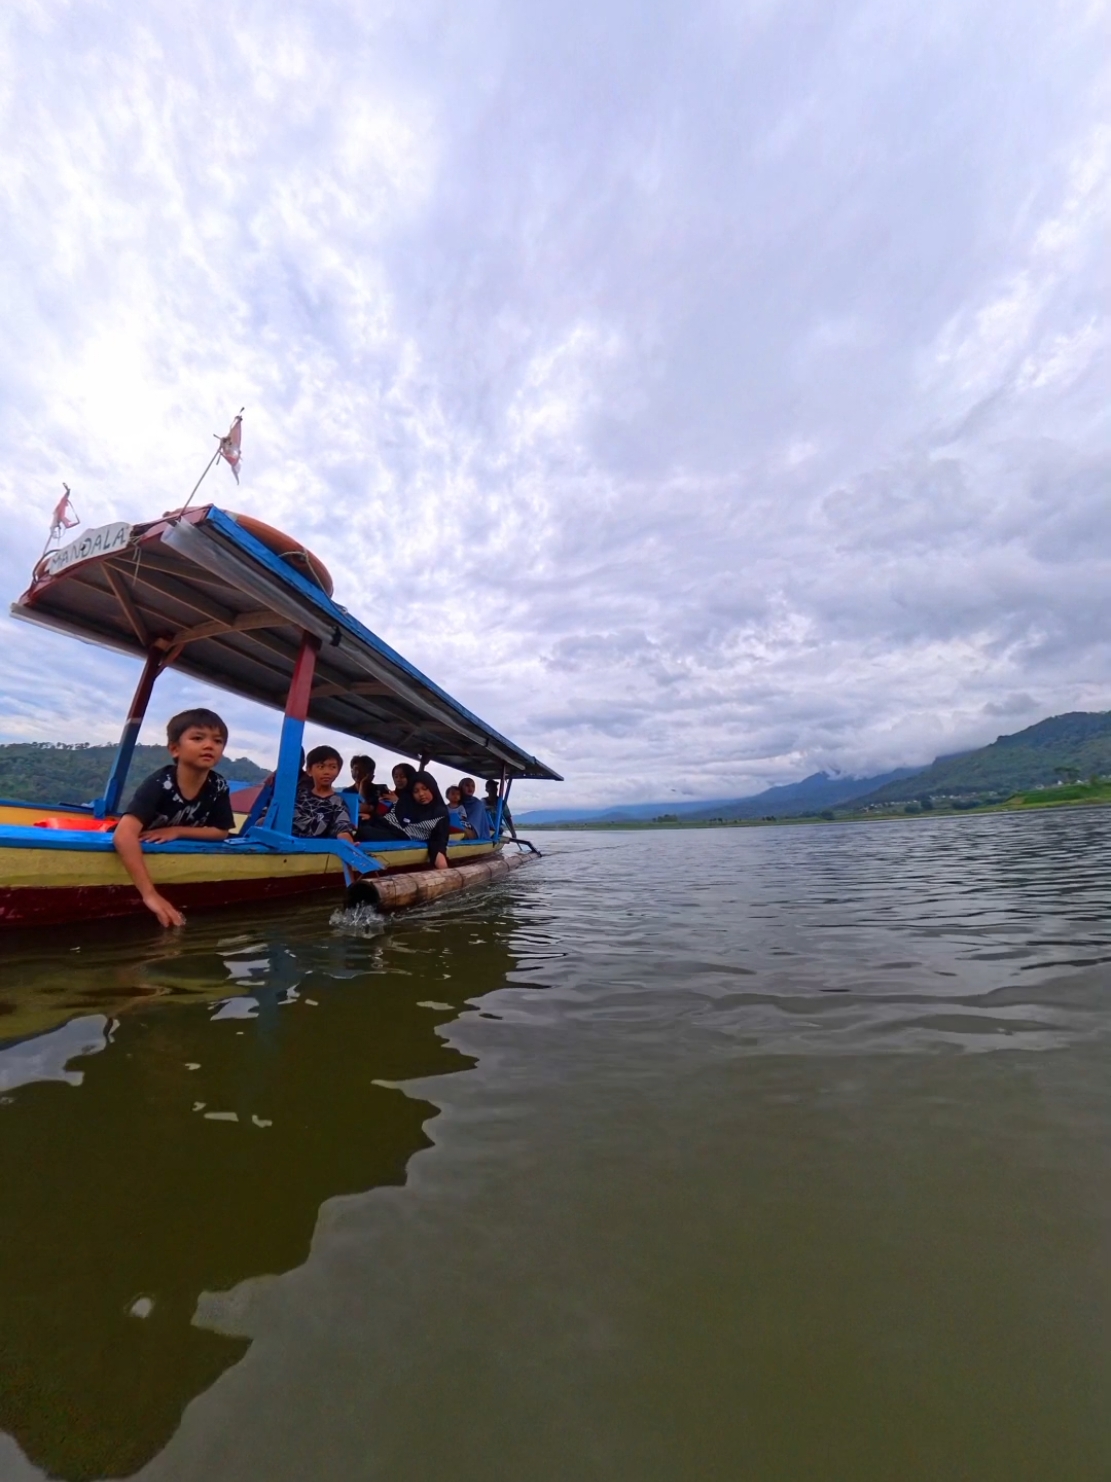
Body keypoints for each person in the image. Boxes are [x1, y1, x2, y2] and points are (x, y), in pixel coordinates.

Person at [113, 708, 235, 928]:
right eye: (198, 738)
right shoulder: (160, 783)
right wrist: (149, 894)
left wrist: (177, 831)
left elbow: (221, 831)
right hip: (133, 851)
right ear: (175, 749)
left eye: (218, 741)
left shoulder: (218, 785)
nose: (209, 745)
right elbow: (124, 835)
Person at [357, 770, 451, 867]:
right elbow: (385, 820)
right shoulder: (404, 804)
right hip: (384, 829)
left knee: (364, 832)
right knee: (360, 821)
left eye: (425, 788)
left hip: (401, 837)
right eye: (416, 791)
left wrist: (443, 869)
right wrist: (371, 817)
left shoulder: (440, 815)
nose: (421, 794)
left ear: (433, 788)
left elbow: (438, 843)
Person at [292, 745, 357, 840]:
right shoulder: (298, 796)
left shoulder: (337, 802)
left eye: (332, 767)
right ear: (309, 770)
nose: (327, 772)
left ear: (338, 771)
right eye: (321, 767)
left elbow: (342, 826)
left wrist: (347, 842)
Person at [457, 776, 491, 840]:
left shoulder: (478, 804)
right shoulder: (456, 802)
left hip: (474, 832)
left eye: (473, 786)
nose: (470, 788)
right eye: (467, 785)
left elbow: (473, 825)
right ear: (460, 787)